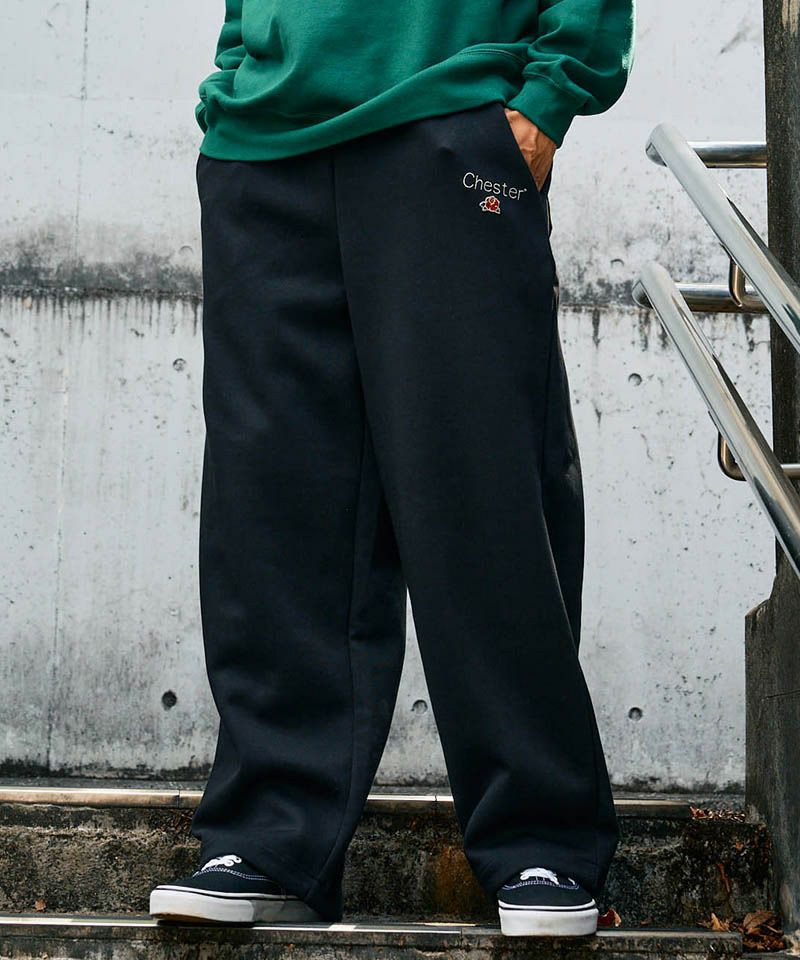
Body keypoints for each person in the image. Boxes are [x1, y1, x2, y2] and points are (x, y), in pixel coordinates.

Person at [149, 0, 635, 937]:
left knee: (481, 497)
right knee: (271, 513)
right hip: (264, 147)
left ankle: (540, 838)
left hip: (450, 124)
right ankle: (273, 839)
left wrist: (548, 96)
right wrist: (236, 76)